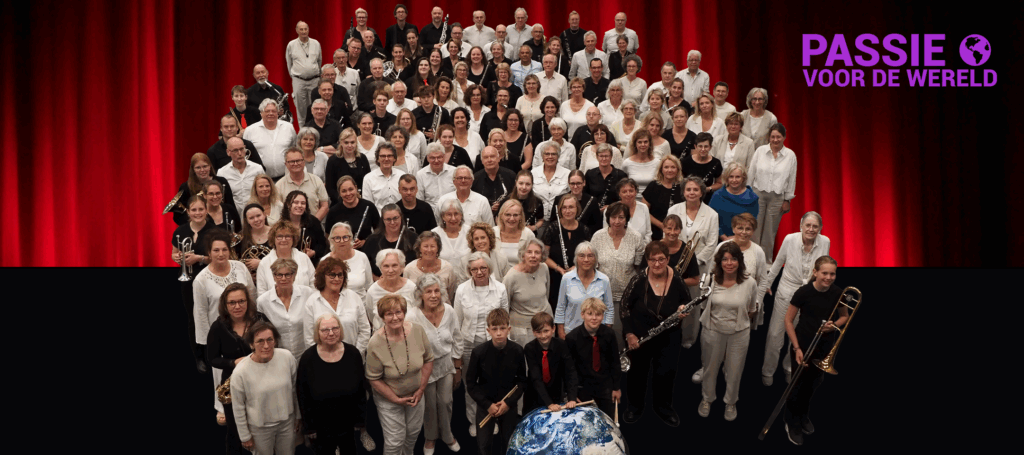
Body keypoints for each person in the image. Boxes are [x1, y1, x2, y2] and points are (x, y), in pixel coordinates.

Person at [619, 241, 691, 427]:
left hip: (669, 336)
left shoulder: (677, 280)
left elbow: (687, 301)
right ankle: (634, 407)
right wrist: (629, 334)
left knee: (665, 372)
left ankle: (663, 407)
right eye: (652, 260)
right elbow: (624, 307)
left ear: (668, 259)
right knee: (637, 373)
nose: (657, 264)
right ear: (647, 260)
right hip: (640, 336)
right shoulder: (638, 280)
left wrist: (683, 309)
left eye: (661, 259)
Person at [783, 256, 847, 446]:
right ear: (815, 272)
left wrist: (833, 325)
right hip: (802, 344)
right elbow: (788, 320)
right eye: (824, 273)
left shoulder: (838, 292)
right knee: (797, 385)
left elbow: (844, 316)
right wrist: (796, 348)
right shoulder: (803, 292)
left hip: (825, 345)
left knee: (814, 383)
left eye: (832, 273)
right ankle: (791, 422)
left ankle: (803, 415)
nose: (828, 277)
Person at [762, 211, 830, 386]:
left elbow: (822, 269)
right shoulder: (790, 239)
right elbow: (777, 263)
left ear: (820, 228)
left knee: (798, 336)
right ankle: (768, 370)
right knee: (775, 334)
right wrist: (767, 284)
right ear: (801, 226)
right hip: (787, 291)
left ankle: (789, 368)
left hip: (808, 294)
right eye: (808, 225)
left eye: (815, 226)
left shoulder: (825, 241)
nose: (811, 229)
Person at [194, 230, 257, 414]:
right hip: (220, 334)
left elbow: (252, 295)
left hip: (246, 327)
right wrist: (208, 344)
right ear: (209, 252)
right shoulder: (201, 280)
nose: (220, 254)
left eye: (224, 249)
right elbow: (200, 312)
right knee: (222, 373)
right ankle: (222, 407)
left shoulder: (240, 267)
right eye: (216, 250)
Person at [694, 242, 758, 421]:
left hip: (739, 334)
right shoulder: (710, 280)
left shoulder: (750, 282)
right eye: (725, 259)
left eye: (733, 259)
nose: (729, 263)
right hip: (712, 331)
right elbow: (704, 307)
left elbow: (752, 309)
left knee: (735, 370)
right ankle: (707, 399)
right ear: (719, 261)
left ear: (740, 261)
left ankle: (731, 402)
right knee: (709, 368)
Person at [366, 294, 435, 455]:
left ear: (404, 313)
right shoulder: (375, 343)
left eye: (398, 312)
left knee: (412, 434)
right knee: (395, 441)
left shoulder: (417, 330)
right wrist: (395, 399)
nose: (395, 317)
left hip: (416, 395)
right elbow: (373, 379)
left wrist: (421, 390)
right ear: (382, 317)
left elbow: (428, 360)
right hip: (389, 399)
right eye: (389, 314)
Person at [402, 273, 463, 455]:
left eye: (437, 291)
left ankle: (447, 434)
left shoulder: (450, 311)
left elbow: (457, 339)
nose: (434, 295)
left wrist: (458, 367)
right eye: (428, 291)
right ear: (420, 294)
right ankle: (430, 438)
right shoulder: (412, 316)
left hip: (445, 365)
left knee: (445, 402)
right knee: (428, 405)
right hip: (423, 369)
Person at [207, 283, 269, 451]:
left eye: (241, 301)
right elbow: (211, 358)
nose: (237, 306)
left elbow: (273, 345)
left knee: (262, 430)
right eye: (232, 303)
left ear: (248, 302)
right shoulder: (218, 326)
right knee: (235, 433)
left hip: (261, 382)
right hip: (232, 385)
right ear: (225, 305)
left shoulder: (261, 320)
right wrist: (232, 363)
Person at [454, 252, 510, 437]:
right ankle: (474, 421)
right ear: (469, 271)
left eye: (483, 268)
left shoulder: (500, 289)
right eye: (474, 269)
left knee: (491, 383)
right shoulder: (462, 289)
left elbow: (503, 317)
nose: (479, 272)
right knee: (471, 385)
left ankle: (492, 417)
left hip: (492, 344)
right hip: (469, 344)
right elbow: (457, 321)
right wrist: (458, 351)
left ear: (489, 268)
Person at [296, 312, 367, 455]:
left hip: (348, 422)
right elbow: (303, 395)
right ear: (317, 332)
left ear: (340, 329)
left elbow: (361, 389)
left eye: (335, 328)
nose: (331, 333)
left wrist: (360, 421)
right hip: (320, 424)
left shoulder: (353, 353)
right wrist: (309, 427)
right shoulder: (308, 358)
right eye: (325, 330)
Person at [230, 321, 300, 455]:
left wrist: (298, 416)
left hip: (287, 424)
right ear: (251, 344)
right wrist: (245, 436)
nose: (266, 346)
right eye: (260, 341)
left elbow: (295, 390)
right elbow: (238, 407)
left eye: (270, 340)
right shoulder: (240, 372)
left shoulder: (287, 357)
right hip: (259, 430)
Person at [666, 177, 719, 347]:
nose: (691, 193)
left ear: (702, 193)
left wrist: (693, 262)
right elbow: (667, 234)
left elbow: (712, 243)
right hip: (672, 264)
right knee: (671, 301)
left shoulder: (712, 214)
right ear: (683, 192)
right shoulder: (674, 209)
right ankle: (669, 334)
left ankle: (688, 339)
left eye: (695, 190)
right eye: (688, 189)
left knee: (691, 304)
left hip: (699, 267)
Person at [465, 308, 527, 453]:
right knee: (484, 444)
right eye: (494, 329)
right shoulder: (478, 352)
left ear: (509, 329)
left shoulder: (517, 350)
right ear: (488, 330)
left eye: (502, 328)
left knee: (508, 442)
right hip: (486, 403)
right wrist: (487, 405)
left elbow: (522, 381)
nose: (499, 333)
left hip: (508, 404)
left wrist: (508, 403)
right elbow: (471, 384)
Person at [708, 213, 770, 329]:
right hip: (720, 306)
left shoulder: (758, 251)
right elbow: (712, 274)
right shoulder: (722, 247)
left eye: (748, 229)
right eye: (740, 228)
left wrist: (756, 304)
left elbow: (762, 282)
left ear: (753, 231)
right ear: (733, 229)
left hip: (746, 308)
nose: (744, 232)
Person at [747, 123, 797, 263]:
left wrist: (787, 199)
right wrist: (747, 192)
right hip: (757, 195)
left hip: (777, 198)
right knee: (755, 228)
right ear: (769, 137)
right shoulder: (760, 151)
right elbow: (751, 172)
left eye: (778, 137)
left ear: (784, 137)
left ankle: (766, 262)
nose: (775, 140)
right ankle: (752, 260)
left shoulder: (790, 155)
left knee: (770, 232)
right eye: (773, 137)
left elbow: (791, 178)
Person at [565, 298, 622, 417]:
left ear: (603, 316)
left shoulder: (609, 334)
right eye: (590, 314)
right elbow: (570, 369)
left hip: (605, 385)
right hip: (583, 386)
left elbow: (615, 362)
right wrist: (572, 394)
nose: (594, 318)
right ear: (582, 315)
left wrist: (616, 388)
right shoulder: (572, 338)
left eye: (598, 314)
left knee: (607, 420)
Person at [257, 258, 316, 359]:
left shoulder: (307, 293)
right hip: (278, 357)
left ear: (294, 275)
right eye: (279, 275)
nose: (283, 279)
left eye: (288, 274)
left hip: (306, 355)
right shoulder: (263, 301)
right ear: (274, 276)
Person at [554, 241, 613, 338]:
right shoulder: (566, 278)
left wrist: (607, 332)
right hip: (571, 333)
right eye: (582, 256)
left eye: (590, 256)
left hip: (597, 334)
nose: (586, 259)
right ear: (576, 259)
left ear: (595, 259)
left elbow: (609, 309)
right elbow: (561, 307)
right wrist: (561, 333)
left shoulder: (604, 280)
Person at [523, 312, 579, 413]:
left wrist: (572, 398)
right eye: (538, 332)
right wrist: (549, 403)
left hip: (556, 395)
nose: (543, 335)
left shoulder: (561, 345)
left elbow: (570, 372)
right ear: (533, 332)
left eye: (546, 331)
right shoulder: (529, 348)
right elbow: (536, 378)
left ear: (553, 329)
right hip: (535, 395)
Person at [543, 196, 592, 309]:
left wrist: (577, 267)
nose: (567, 211)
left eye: (571, 207)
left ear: (577, 209)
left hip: (579, 277)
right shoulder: (552, 229)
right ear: (560, 210)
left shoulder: (584, 230)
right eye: (564, 207)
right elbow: (544, 256)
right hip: (556, 277)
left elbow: (589, 256)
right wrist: (559, 268)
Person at [503, 237, 550, 345]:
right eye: (529, 252)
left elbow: (546, 295)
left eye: (537, 252)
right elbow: (505, 306)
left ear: (542, 255)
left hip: (545, 325)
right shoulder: (511, 277)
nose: (533, 256)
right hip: (521, 330)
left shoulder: (544, 268)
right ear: (523, 255)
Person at [172, 153, 236, 226]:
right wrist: (193, 223)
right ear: (193, 169)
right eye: (198, 167)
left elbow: (231, 205)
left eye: (205, 166)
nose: (202, 170)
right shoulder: (186, 187)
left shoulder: (222, 182)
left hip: (221, 223)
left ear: (210, 166)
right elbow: (177, 217)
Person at [256, 220, 316, 296]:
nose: (284, 240)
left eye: (287, 236)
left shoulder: (304, 258)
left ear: (293, 238)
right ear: (273, 239)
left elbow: (314, 285)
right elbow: (261, 293)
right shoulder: (264, 263)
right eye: (279, 236)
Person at [243, 99, 296, 179]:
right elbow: (246, 154)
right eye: (267, 111)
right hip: (260, 179)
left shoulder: (289, 127)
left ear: (278, 113)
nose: (271, 113)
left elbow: (294, 148)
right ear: (261, 113)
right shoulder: (250, 131)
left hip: (286, 177)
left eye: (273, 111)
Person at [324, 176, 380, 249]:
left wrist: (365, 241)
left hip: (367, 250)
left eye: (351, 189)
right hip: (343, 252)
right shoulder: (333, 211)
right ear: (339, 193)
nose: (348, 193)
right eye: (344, 191)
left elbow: (379, 230)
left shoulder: (369, 206)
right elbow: (328, 237)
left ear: (356, 188)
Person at [362, 205, 416, 279]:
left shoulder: (413, 238)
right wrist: (377, 280)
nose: (392, 222)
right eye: (388, 219)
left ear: (401, 217)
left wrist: (405, 271)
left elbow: (418, 264)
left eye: (395, 218)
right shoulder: (372, 240)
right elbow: (364, 266)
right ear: (383, 220)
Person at [404, 231, 459, 304]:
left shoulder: (448, 268)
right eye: (425, 246)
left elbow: (450, 294)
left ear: (438, 248)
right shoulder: (409, 269)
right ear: (419, 248)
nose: (429, 250)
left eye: (432, 246)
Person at [322, 222, 373, 300]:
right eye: (337, 238)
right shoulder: (325, 261)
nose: (342, 241)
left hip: (361, 307)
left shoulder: (362, 257)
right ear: (331, 240)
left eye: (345, 237)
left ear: (351, 238)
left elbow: (369, 286)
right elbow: (320, 288)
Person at [277, 147, 330, 221]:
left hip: (313, 228)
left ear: (304, 162)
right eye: (292, 161)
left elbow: (324, 206)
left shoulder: (316, 180)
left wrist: (313, 224)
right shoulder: (279, 185)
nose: (295, 164)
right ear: (286, 164)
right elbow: (278, 211)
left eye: (298, 160)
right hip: (289, 229)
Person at [710, 163, 760, 241]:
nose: (734, 180)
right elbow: (711, 220)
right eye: (731, 177)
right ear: (726, 178)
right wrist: (723, 237)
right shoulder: (717, 196)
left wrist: (737, 238)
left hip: (743, 239)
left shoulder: (752, 198)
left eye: (738, 177)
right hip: (718, 239)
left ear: (743, 178)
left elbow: (752, 223)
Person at [278, 190, 328, 266]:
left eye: (303, 203)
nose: (300, 205)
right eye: (295, 202)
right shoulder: (281, 224)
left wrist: (314, 252)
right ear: (288, 204)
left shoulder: (313, 222)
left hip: (310, 264)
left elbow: (322, 245)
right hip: (288, 264)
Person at [286, 21, 322, 127]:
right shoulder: (291, 45)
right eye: (301, 29)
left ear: (308, 30)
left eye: (305, 29)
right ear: (297, 30)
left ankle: (316, 129)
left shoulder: (316, 43)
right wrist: (296, 76)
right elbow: (289, 63)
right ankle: (303, 131)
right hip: (298, 80)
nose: (304, 31)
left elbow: (319, 61)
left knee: (316, 106)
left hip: (314, 80)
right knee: (301, 109)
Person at [219, 138, 266, 215]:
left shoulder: (258, 169)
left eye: (242, 149)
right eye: (235, 150)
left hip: (256, 214)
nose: (240, 153)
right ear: (228, 152)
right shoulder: (222, 173)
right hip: (234, 215)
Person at [642, 155, 685, 240]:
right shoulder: (653, 186)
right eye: (666, 167)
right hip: (655, 230)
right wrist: (662, 226)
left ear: (678, 170)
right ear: (661, 169)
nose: (669, 170)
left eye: (673, 167)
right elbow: (644, 211)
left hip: (678, 231)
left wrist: (673, 228)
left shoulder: (683, 187)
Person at [325, 128, 372, 203]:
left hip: (362, 201)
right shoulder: (333, 161)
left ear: (356, 142)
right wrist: (345, 201)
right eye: (346, 143)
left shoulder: (362, 158)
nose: (349, 145)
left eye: (352, 142)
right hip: (340, 203)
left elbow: (369, 182)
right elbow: (330, 188)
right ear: (340, 143)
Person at [550, 170, 602, 234]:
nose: (575, 186)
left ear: (584, 183)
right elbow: (553, 223)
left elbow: (597, 226)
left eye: (578, 183)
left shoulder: (592, 201)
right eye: (572, 183)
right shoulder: (559, 199)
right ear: (568, 183)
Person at [473, 145, 518, 216]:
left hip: (507, 215)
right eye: (486, 157)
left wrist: (502, 205)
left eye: (492, 156)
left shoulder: (511, 175)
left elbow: (516, 198)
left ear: (499, 158)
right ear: (482, 161)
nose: (489, 160)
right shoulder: (475, 178)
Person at [362, 143, 407, 212]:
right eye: (383, 156)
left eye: (389, 156)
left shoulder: (402, 176)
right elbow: (368, 206)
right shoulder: (368, 179)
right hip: (378, 219)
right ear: (377, 159)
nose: (386, 159)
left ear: (394, 158)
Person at [531, 142, 571, 219]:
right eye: (547, 154)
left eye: (553, 154)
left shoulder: (567, 174)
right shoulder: (533, 173)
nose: (550, 157)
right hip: (538, 218)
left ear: (558, 156)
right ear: (542, 156)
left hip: (560, 218)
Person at [682, 132, 724, 204]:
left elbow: (719, 183)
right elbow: (681, 182)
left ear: (710, 147)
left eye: (706, 146)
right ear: (695, 146)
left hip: (707, 199)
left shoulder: (716, 163)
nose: (703, 149)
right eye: (700, 146)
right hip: (688, 198)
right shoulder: (685, 162)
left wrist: (708, 189)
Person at [584, 144, 628, 210]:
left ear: (611, 157)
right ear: (597, 157)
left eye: (606, 156)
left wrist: (610, 207)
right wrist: (594, 204)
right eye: (601, 156)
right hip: (593, 212)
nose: (604, 159)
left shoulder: (621, 175)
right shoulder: (590, 174)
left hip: (615, 212)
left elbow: (625, 197)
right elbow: (585, 195)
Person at [432, 198, 471, 267]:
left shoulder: (470, 232)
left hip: (467, 276)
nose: (453, 218)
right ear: (443, 216)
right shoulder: (434, 234)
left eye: (456, 214)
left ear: (461, 215)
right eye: (449, 214)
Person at [416, 143, 457, 208]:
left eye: (439, 157)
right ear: (427, 158)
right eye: (432, 158)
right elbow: (420, 199)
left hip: (451, 211)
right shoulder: (420, 175)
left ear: (444, 157)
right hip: (430, 212)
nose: (436, 161)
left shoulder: (454, 172)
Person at [238, 204, 272, 279]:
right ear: (247, 220)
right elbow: (238, 262)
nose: (256, 220)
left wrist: (261, 263)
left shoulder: (276, 234)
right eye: (251, 218)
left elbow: (281, 259)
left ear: (264, 215)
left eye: (258, 215)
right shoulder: (241, 237)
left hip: (272, 277)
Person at [622, 130, 659, 197]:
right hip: (632, 200)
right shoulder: (627, 163)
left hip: (652, 201)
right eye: (640, 142)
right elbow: (623, 186)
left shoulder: (657, 163)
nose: (643, 145)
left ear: (650, 143)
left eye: (645, 142)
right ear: (635, 144)